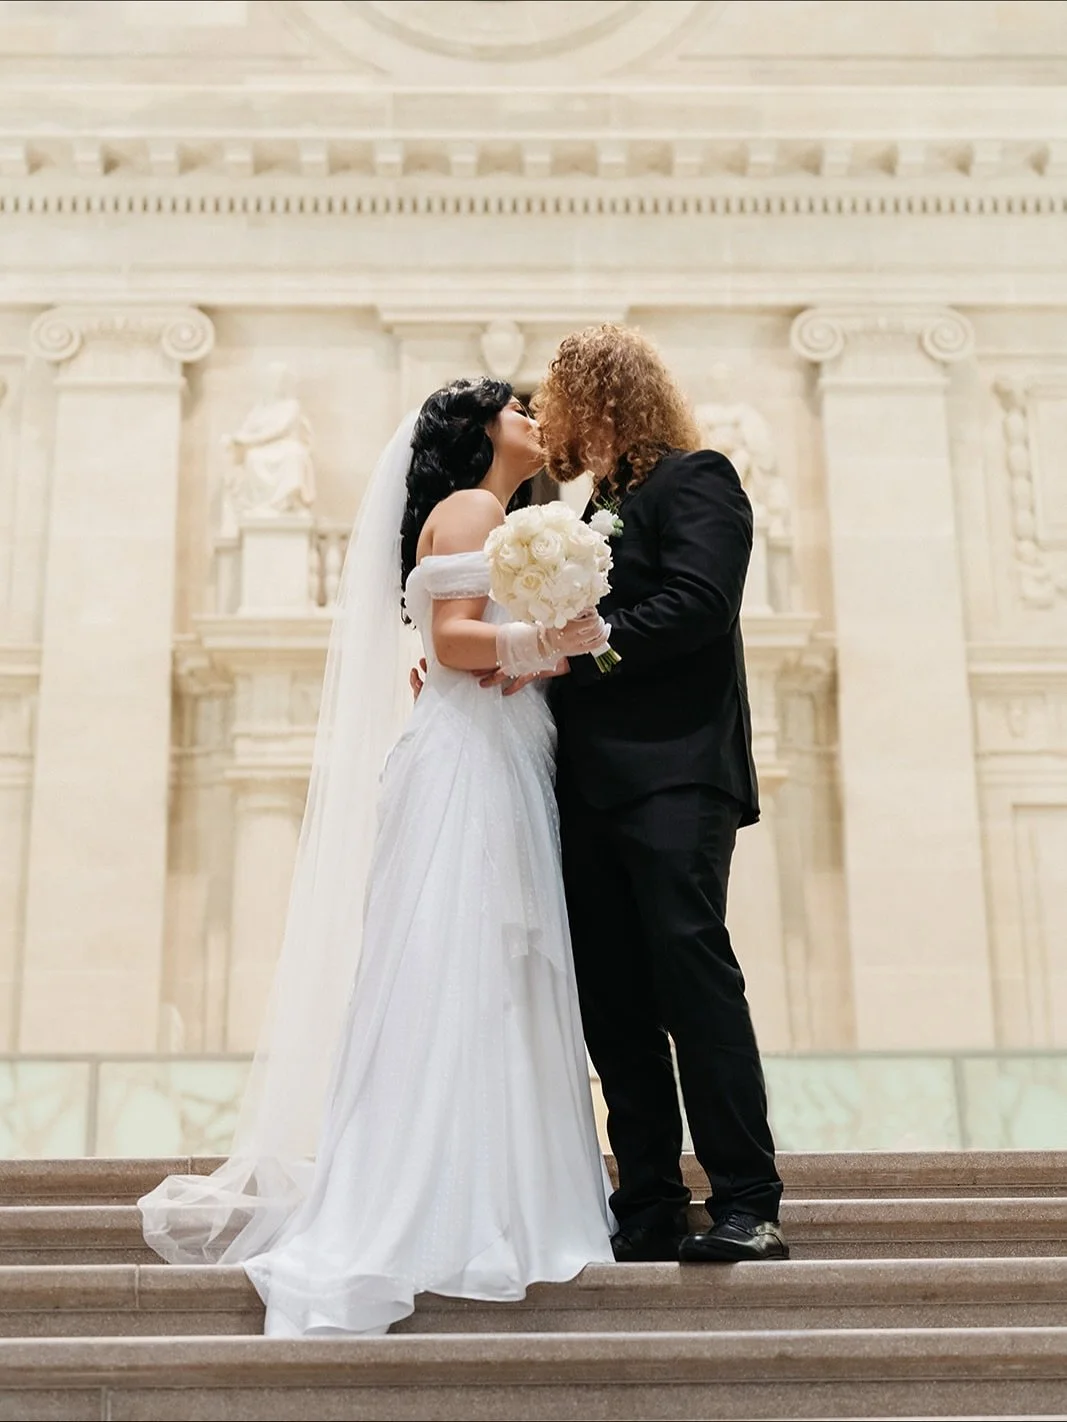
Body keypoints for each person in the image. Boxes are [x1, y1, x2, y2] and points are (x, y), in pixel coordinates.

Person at [140, 379, 614, 1336]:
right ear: (475, 431)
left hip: (487, 743)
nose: (532, 416)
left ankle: (463, 1184)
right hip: (472, 755)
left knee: (467, 962)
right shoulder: (478, 506)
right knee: (469, 962)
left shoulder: (486, 512)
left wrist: (537, 651)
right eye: (514, 407)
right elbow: (450, 644)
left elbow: (463, 651)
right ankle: (476, 1199)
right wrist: (554, 637)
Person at [532, 323, 788, 1264]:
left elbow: (698, 603)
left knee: (691, 975)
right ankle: (644, 1198)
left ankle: (747, 1201)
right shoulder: (587, 505)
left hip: (676, 771)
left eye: (561, 396)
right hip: (584, 785)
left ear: (603, 397)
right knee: (611, 996)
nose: (549, 416)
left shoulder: (697, 478)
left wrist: (578, 648)